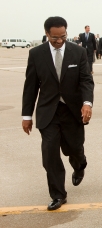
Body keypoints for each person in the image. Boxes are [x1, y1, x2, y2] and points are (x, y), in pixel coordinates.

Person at [21, 16, 94, 211]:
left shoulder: (78, 52)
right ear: (47, 34)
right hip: (48, 113)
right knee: (50, 154)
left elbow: (86, 80)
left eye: (63, 36)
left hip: (73, 111)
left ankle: (79, 165)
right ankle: (58, 195)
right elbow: (31, 87)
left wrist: (87, 103)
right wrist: (26, 116)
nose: (59, 41)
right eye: (55, 38)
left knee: (74, 148)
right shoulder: (36, 54)